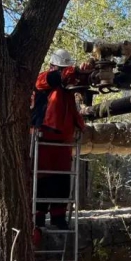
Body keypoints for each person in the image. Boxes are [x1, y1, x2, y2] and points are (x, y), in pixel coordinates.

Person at [31, 49, 92, 231]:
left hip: (63, 140)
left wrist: (81, 126)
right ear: (53, 66)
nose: (64, 71)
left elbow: (73, 111)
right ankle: (38, 219)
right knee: (41, 179)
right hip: (44, 137)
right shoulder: (43, 79)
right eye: (61, 67)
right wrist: (77, 70)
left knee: (62, 180)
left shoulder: (67, 91)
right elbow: (56, 77)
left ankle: (58, 218)